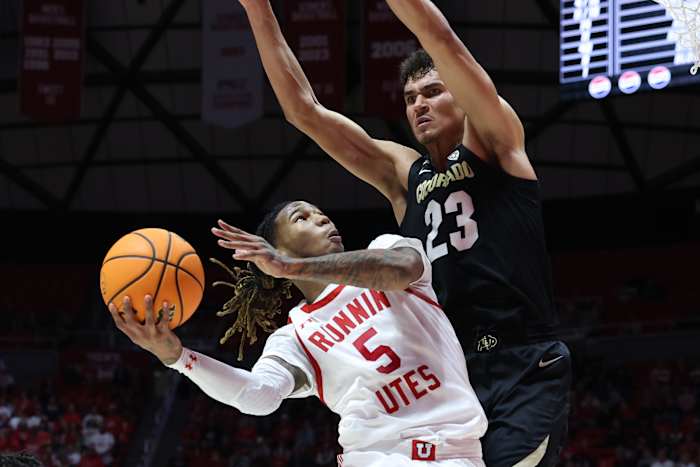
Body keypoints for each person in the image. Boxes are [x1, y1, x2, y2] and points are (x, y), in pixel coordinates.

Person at [237, 1, 571, 465]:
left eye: (433, 91)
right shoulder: (403, 175)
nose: (419, 104)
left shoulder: (496, 141)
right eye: (411, 98)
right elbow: (305, 112)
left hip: (522, 359)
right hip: (451, 374)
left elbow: (440, 38)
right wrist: (258, 10)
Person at [108, 200, 486, 467]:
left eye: (320, 213)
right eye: (301, 217)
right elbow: (258, 396)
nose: (321, 219)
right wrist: (176, 356)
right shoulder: (295, 337)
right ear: (276, 250)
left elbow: (402, 268)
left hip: (455, 454)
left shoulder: (386, 249)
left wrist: (294, 267)